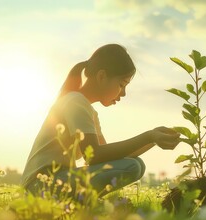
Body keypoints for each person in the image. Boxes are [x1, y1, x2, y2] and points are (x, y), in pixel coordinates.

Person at [20, 44, 180, 197]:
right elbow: (94, 156)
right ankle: (85, 202)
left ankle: (85, 202)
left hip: (55, 181)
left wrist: (154, 139)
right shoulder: (75, 101)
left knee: (137, 164)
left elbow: (108, 156)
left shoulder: (86, 109)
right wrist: (148, 136)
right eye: (121, 84)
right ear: (102, 76)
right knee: (133, 166)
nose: (123, 93)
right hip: (40, 185)